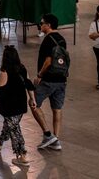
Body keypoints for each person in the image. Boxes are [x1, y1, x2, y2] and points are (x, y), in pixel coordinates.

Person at [0, 46, 36, 167]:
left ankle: (22, 156)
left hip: (9, 106)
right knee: (11, 125)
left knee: (15, 130)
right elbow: (29, 84)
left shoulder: (4, 71)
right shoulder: (22, 68)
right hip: (20, 105)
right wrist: (32, 99)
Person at [32, 13, 68, 151]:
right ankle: (56, 140)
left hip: (48, 80)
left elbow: (48, 61)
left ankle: (47, 134)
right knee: (57, 109)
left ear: (49, 25)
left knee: (33, 103)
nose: (40, 25)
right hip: (61, 79)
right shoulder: (62, 39)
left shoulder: (48, 40)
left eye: (42, 23)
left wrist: (39, 75)